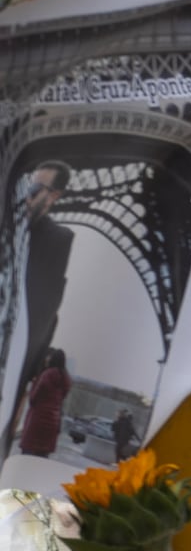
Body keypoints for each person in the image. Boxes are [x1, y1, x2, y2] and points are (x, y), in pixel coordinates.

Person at [9, 163, 74, 432]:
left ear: (54, 196)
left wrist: (26, 379)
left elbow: (44, 312)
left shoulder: (58, 239)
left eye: (36, 188)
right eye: (27, 186)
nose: (28, 194)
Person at [15, 349, 69, 457]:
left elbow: (33, 398)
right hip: (53, 423)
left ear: (53, 359)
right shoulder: (66, 379)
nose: (47, 359)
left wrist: (34, 383)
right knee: (42, 456)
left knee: (28, 453)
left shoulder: (46, 375)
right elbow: (62, 398)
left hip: (38, 419)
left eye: (49, 357)